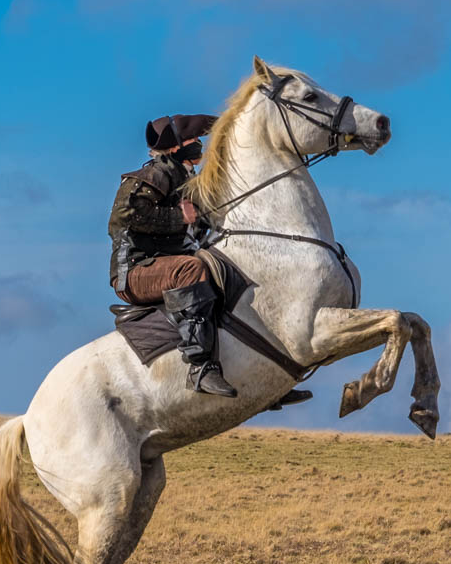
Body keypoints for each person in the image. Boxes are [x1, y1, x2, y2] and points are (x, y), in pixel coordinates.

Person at [108, 113, 312, 407]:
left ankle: (260, 378)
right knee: (192, 269)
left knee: (230, 273)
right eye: (193, 140)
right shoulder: (155, 175)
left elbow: (199, 223)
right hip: (136, 272)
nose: (199, 145)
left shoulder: (185, 178)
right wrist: (179, 217)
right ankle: (200, 367)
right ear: (176, 147)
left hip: (166, 265)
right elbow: (121, 219)